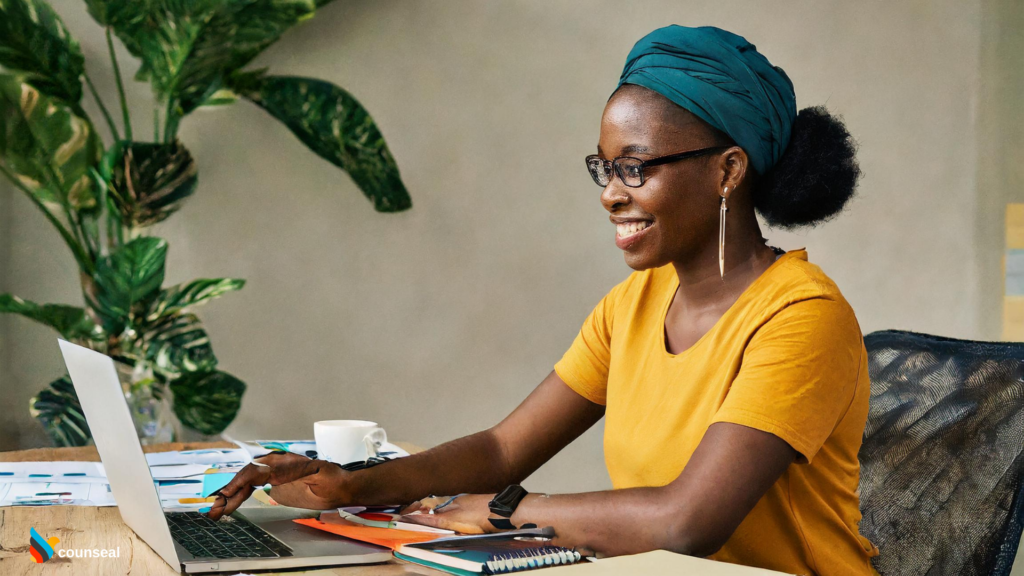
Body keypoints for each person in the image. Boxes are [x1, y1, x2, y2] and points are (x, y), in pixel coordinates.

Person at [209, 24, 879, 575]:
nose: (610, 193)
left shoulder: (801, 317)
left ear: (728, 170)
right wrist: (353, 484)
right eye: (604, 167)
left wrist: (507, 512)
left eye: (634, 167)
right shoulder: (634, 306)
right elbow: (504, 449)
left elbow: (688, 521)